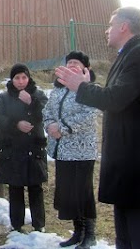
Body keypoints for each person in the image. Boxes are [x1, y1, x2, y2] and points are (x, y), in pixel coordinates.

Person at [55, 7, 140, 249]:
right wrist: (86, 86)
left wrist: (81, 87)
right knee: (126, 235)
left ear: (123, 26)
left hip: (137, 159)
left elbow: (115, 99)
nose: (107, 30)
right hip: (126, 158)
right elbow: (113, 98)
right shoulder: (128, 54)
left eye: (110, 24)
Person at [43, 52, 100, 248]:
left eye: (77, 63)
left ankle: (90, 234)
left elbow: (89, 115)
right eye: (69, 63)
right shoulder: (57, 90)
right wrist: (50, 125)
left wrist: (62, 128)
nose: (72, 65)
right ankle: (78, 231)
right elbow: (47, 111)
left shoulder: (90, 89)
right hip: (62, 151)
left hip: (82, 150)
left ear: (85, 68)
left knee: (83, 192)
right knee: (69, 192)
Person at [0, 63, 48, 233]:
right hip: (13, 149)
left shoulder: (38, 95)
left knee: (35, 188)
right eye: (17, 77)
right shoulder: (4, 97)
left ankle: (39, 225)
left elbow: (46, 114)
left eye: (24, 77)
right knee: (15, 188)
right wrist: (16, 124)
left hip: (34, 148)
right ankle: (16, 225)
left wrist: (31, 102)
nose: (21, 81)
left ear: (29, 78)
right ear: (12, 79)